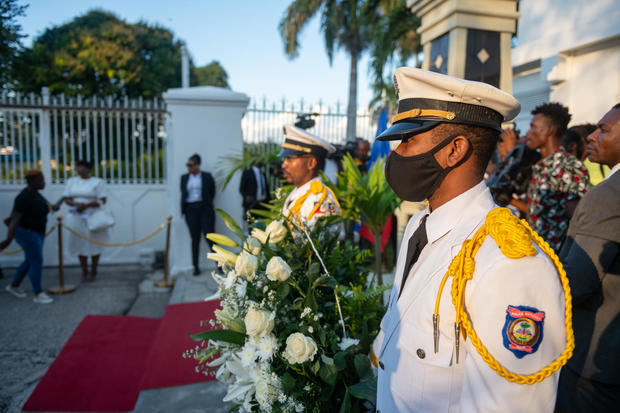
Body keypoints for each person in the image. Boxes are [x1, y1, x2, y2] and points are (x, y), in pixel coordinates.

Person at [371, 67, 571, 412]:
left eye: (408, 141)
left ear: (454, 150)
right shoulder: (422, 224)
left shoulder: (509, 263)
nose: (397, 154)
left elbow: (509, 405)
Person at [556, 104, 620, 412]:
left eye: (604, 130)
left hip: (596, 364)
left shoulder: (609, 193)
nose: (592, 136)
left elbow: (578, 282)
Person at [509, 102, 590, 252]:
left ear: (549, 130)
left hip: (557, 258)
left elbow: (578, 220)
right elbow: (539, 213)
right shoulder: (542, 165)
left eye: (533, 126)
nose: (528, 133)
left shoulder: (568, 166)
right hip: (538, 254)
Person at [1, 170, 57, 304]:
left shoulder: (37, 195)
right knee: (36, 261)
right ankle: (38, 293)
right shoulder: (23, 197)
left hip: (37, 232)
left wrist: (55, 206)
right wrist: (8, 239)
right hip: (27, 233)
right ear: (32, 181)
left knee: (29, 261)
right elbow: (15, 219)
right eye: (41, 180)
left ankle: (14, 285)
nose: (43, 182)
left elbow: (48, 208)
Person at [279, 125, 341, 229]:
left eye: (289, 158)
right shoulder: (299, 192)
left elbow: (324, 241)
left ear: (311, 163)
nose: (283, 165)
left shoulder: (321, 199)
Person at [63, 159, 110, 282]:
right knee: (79, 241)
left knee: (94, 242)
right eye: (78, 167)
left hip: (92, 215)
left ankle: (94, 269)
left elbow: (102, 199)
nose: (79, 169)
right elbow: (67, 198)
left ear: (88, 169)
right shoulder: (72, 182)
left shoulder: (97, 182)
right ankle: (84, 270)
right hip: (76, 215)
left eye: (82, 167)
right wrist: (76, 204)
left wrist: (86, 205)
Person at [180, 153, 215, 275]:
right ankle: (195, 266)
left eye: (190, 165)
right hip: (191, 210)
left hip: (204, 209)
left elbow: (212, 192)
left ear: (197, 165)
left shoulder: (207, 177)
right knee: (195, 238)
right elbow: (183, 193)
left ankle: (219, 264)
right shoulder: (184, 178)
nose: (188, 167)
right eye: (187, 165)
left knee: (210, 237)